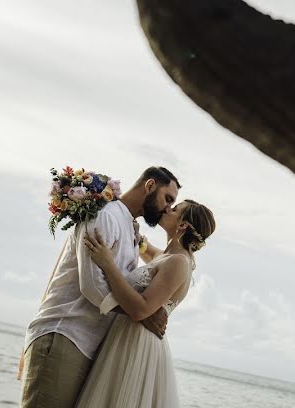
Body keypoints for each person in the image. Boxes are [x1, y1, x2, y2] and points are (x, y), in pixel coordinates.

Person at [19, 166, 181, 408]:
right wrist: (141, 315)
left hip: (88, 344)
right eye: (167, 199)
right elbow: (93, 286)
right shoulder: (106, 215)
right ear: (149, 186)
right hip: (65, 333)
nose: (167, 208)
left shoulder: (129, 226)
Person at [74, 199, 216, 408]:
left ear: (183, 225)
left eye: (175, 209)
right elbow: (144, 247)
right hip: (123, 336)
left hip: (137, 343)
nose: (168, 208)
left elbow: (141, 309)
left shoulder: (179, 262)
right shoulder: (166, 255)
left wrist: (107, 263)